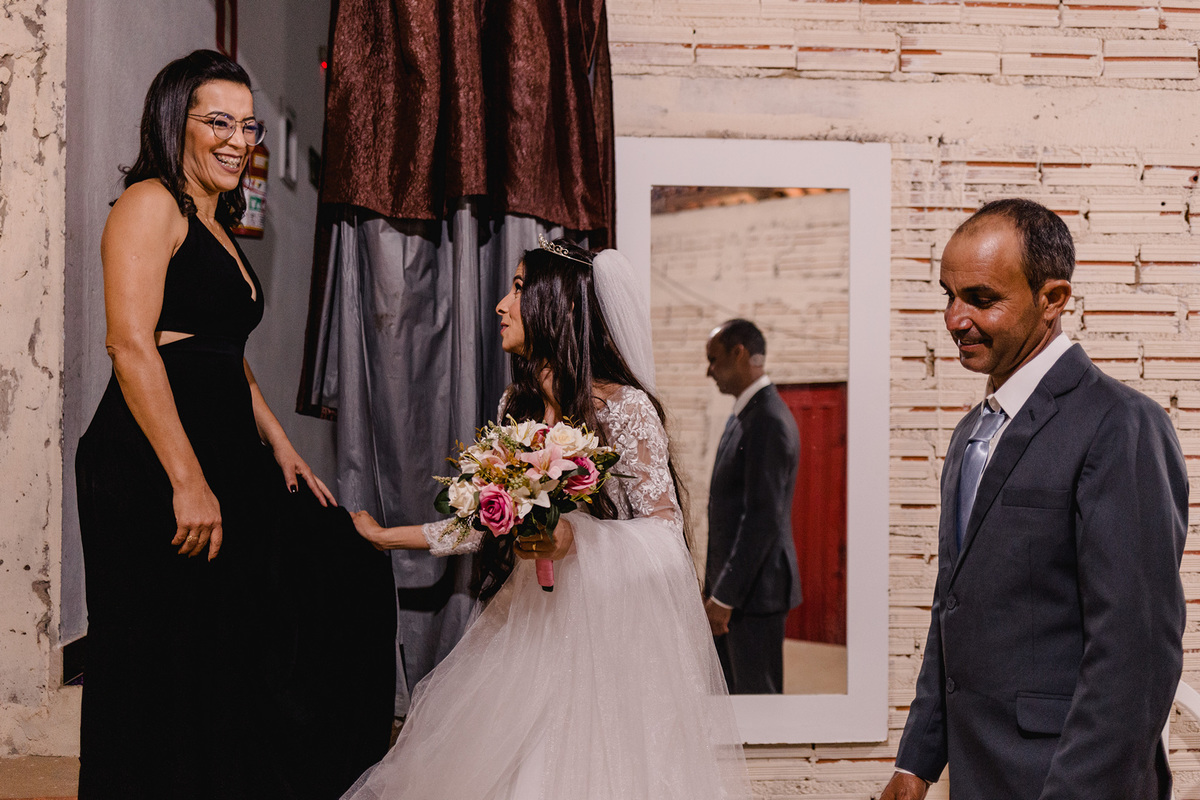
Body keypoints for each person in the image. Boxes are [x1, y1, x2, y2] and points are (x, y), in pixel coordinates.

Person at [74, 50, 395, 800]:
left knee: (315, 575)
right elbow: (131, 342)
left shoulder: (214, 218)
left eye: (247, 126)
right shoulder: (149, 201)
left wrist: (278, 441)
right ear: (173, 121)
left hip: (223, 445)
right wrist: (188, 481)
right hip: (151, 458)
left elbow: (223, 352)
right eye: (217, 121)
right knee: (165, 653)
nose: (237, 139)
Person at [346, 237, 751, 800]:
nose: (500, 305)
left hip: (604, 650)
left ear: (556, 305)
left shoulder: (626, 409)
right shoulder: (516, 409)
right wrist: (388, 537)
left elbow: (665, 532)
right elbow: (488, 517)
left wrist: (576, 538)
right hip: (525, 635)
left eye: (517, 288)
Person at [880, 199, 1188, 800]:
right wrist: (918, 759)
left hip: (1067, 780)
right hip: (979, 775)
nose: (953, 318)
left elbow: (1135, 654)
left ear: (1053, 299)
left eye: (981, 298)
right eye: (948, 294)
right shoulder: (972, 431)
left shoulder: (1120, 425)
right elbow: (955, 606)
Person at [703, 319, 801, 694]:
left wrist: (725, 595)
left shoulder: (768, 420)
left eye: (713, 359)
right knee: (734, 703)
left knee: (759, 705)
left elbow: (762, 518)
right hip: (740, 591)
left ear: (739, 353)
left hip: (754, 595)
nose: (708, 371)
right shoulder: (748, 412)